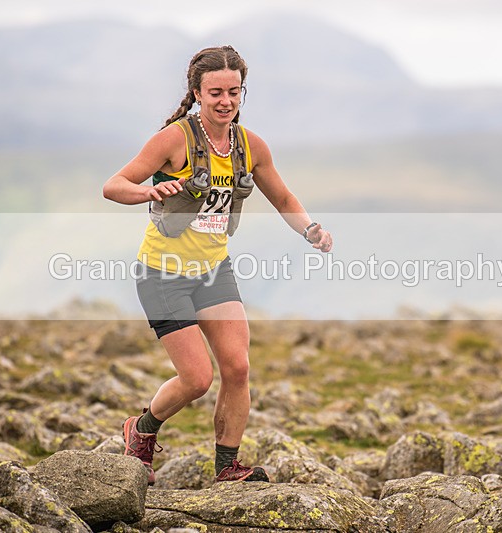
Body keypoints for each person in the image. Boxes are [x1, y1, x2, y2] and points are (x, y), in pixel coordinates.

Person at [102, 45, 333, 485]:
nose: (225, 101)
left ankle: (228, 466)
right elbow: (114, 186)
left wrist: (311, 229)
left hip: (213, 270)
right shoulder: (174, 139)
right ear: (197, 92)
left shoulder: (251, 146)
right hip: (162, 273)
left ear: (242, 92)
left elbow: (283, 198)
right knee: (196, 379)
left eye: (233, 91)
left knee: (238, 368)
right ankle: (142, 429)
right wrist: (149, 193)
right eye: (215, 93)